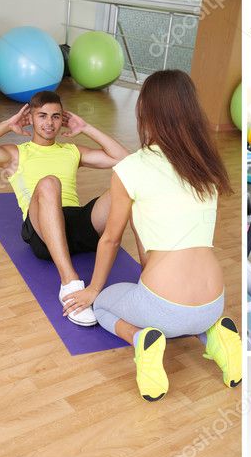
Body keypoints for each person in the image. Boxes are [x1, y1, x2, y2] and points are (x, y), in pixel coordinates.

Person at [61, 69, 240, 402]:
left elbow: (110, 239)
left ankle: (142, 339)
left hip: (163, 309)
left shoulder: (131, 168)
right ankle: (215, 335)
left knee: (103, 306)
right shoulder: (206, 165)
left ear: (145, 110)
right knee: (192, 315)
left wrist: (93, 289)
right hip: (214, 301)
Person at [0, 91, 130, 325]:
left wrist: (86, 127)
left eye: (55, 116)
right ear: (30, 119)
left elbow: (125, 159)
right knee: (49, 183)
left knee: (125, 183)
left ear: (62, 119)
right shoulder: (17, 154)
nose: (49, 123)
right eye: (42, 116)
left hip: (77, 225)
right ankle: (69, 283)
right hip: (41, 230)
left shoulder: (72, 151)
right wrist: (7, 124)